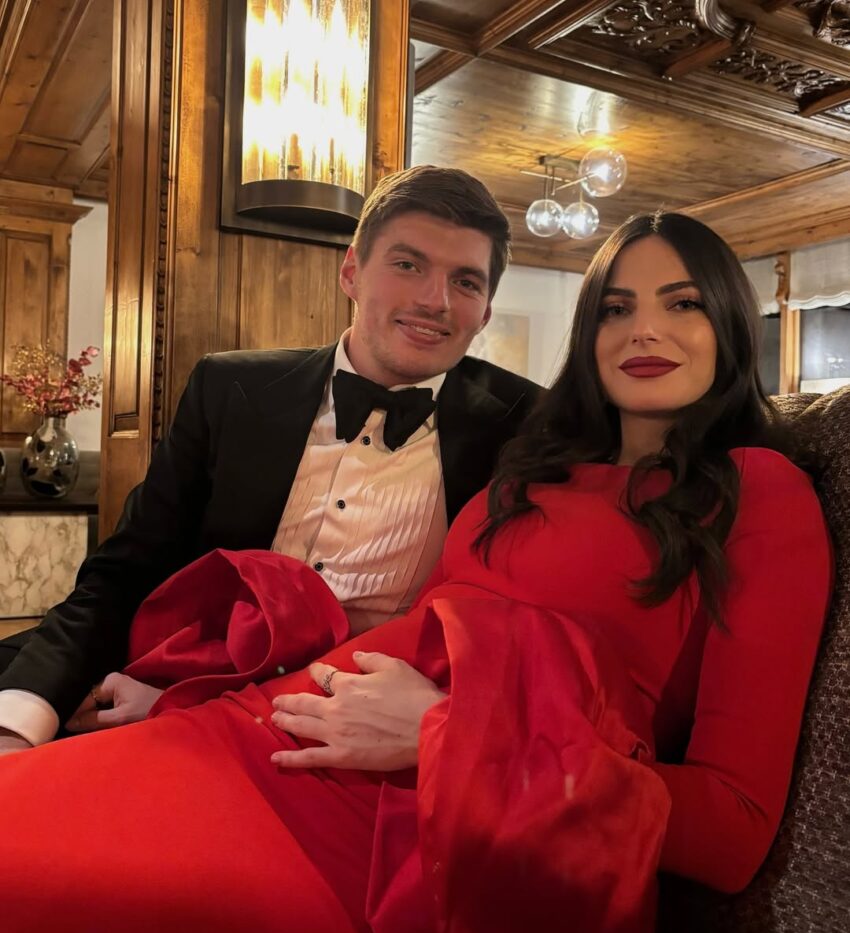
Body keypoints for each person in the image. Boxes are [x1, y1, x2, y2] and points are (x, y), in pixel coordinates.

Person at [0, 212, 831, 933]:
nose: (644, 330)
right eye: (616, 309)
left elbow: (733, 829)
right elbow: (413, 630)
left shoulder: (760, 494)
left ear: (731, 322)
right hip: (263, 734)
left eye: (682, 303)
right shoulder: (532, 464)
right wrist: (194, 685)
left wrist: (446, 736)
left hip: (421, 849)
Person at [0, 165, 540, 754]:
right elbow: (128, 569)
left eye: (466, 281)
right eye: (408, 264)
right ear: (352, 272)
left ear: (486, 310)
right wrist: (24, 718)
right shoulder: (230, 388)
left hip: (362, 728)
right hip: (183, 675)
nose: (435, 300)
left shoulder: (526, 426)